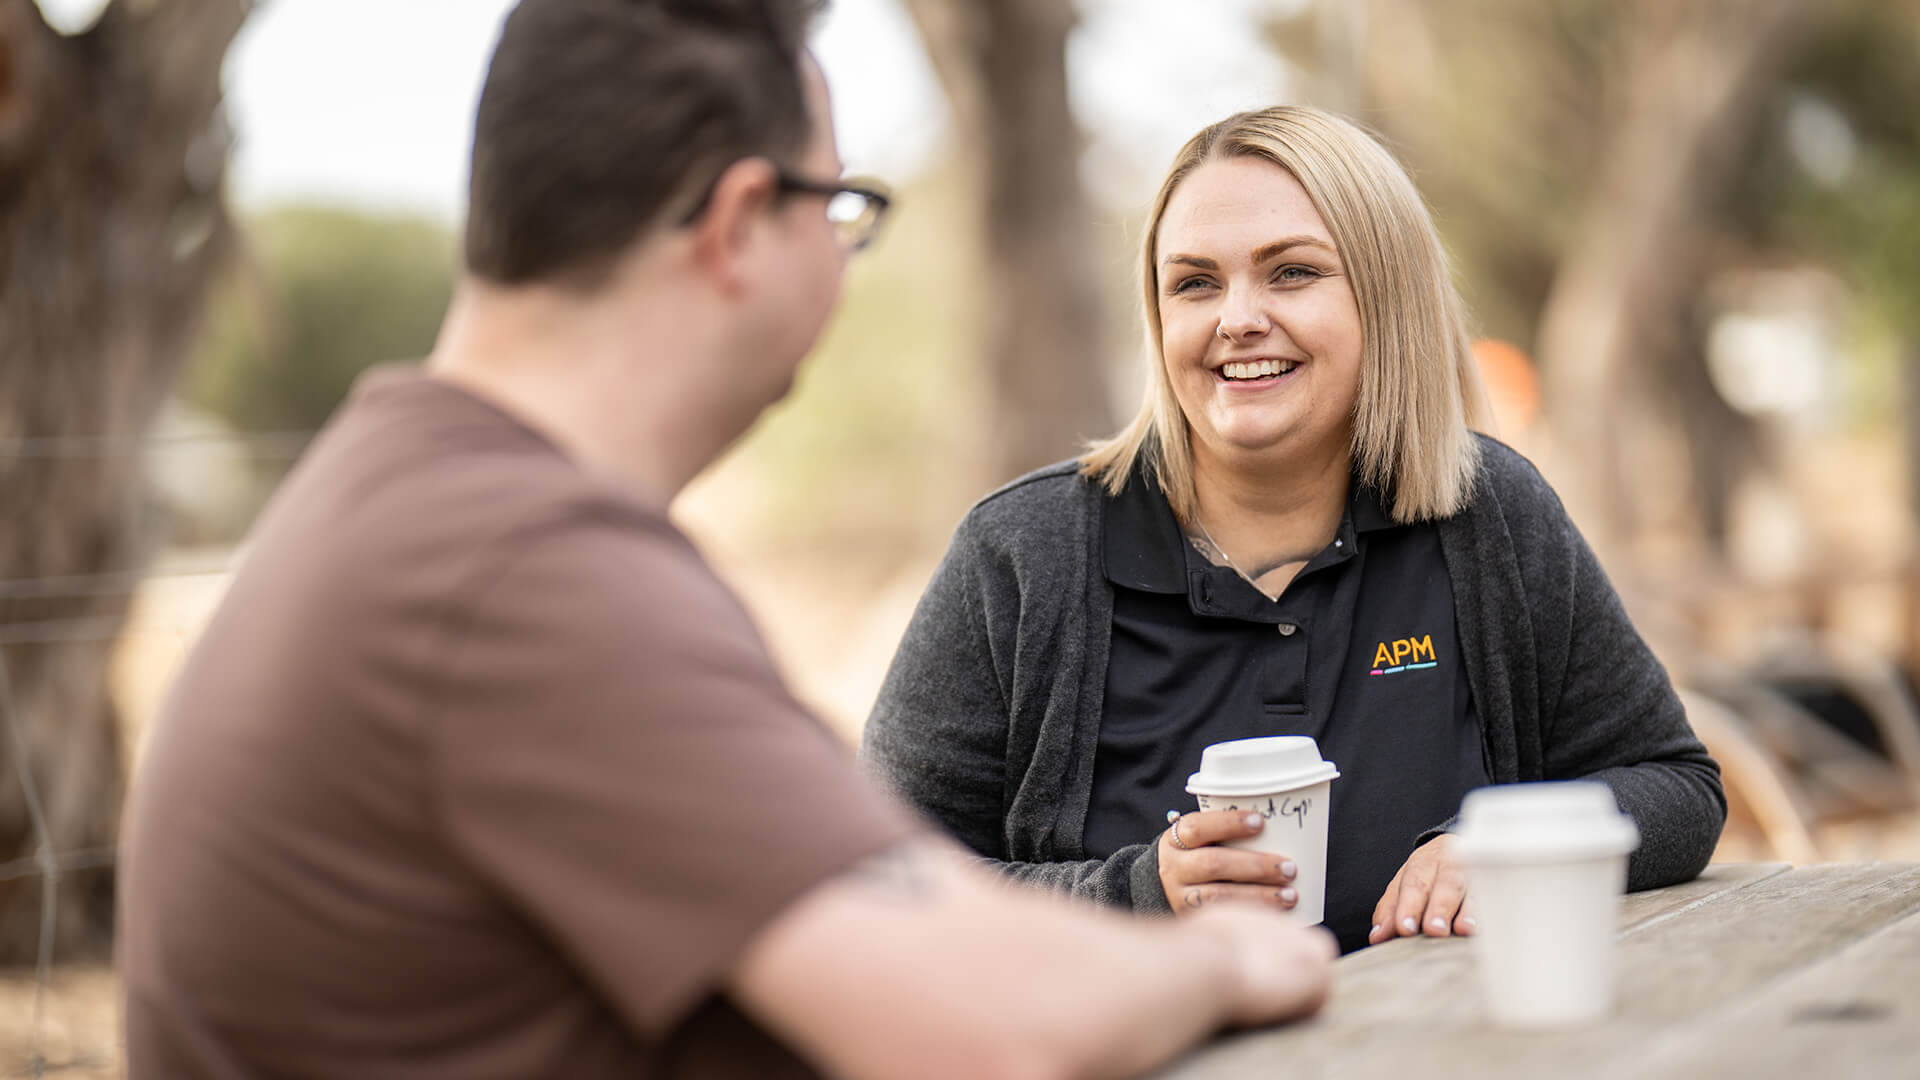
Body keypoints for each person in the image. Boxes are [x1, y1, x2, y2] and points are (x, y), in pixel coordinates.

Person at [116, 5, 1337, 1078]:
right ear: (743, 220)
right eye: (844, 210)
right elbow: (987, 1026)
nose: (843, 261)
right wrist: (1228, 959)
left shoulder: (408, 499)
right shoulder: (516, 572)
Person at [862, 105, 1726, 956]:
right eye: (1195, 282)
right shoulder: (1022, 554)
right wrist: (1138, 893)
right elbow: (877, 883)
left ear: (1387, 299)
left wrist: (1497, 845)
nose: (1237, 317)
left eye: (1291, 273)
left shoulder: (1487, 515)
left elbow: (1676, 789)